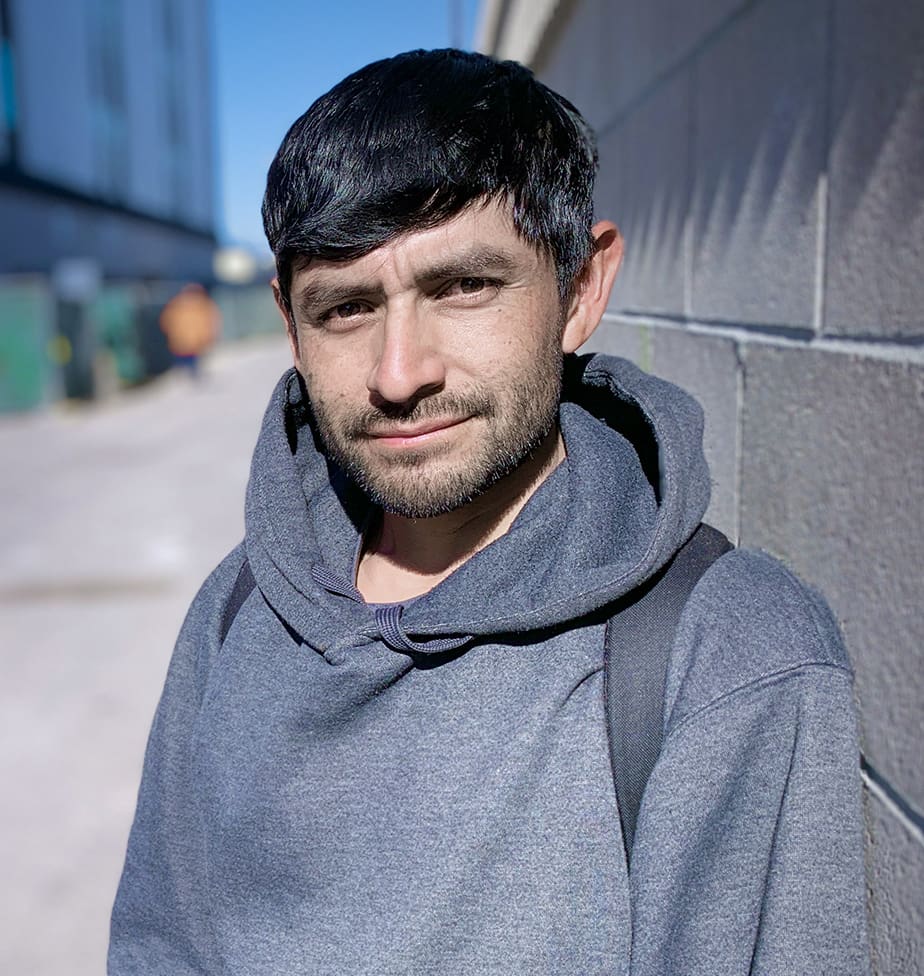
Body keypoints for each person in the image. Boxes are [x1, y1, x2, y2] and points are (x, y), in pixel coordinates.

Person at [109, 49, 871, 975]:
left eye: (463, 286)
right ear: (290, 328)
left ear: (579, 291)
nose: (401, 372)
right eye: (346, 307)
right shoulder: (235, 612)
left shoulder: (731, 654)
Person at [159, 282, 221, 377]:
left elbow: (165, 321)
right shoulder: (205, 305)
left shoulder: (176, 304)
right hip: (195, 343)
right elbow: (211, 323)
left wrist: (172, 334)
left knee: (183, 370)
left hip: (181, 342)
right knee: (192, 370)